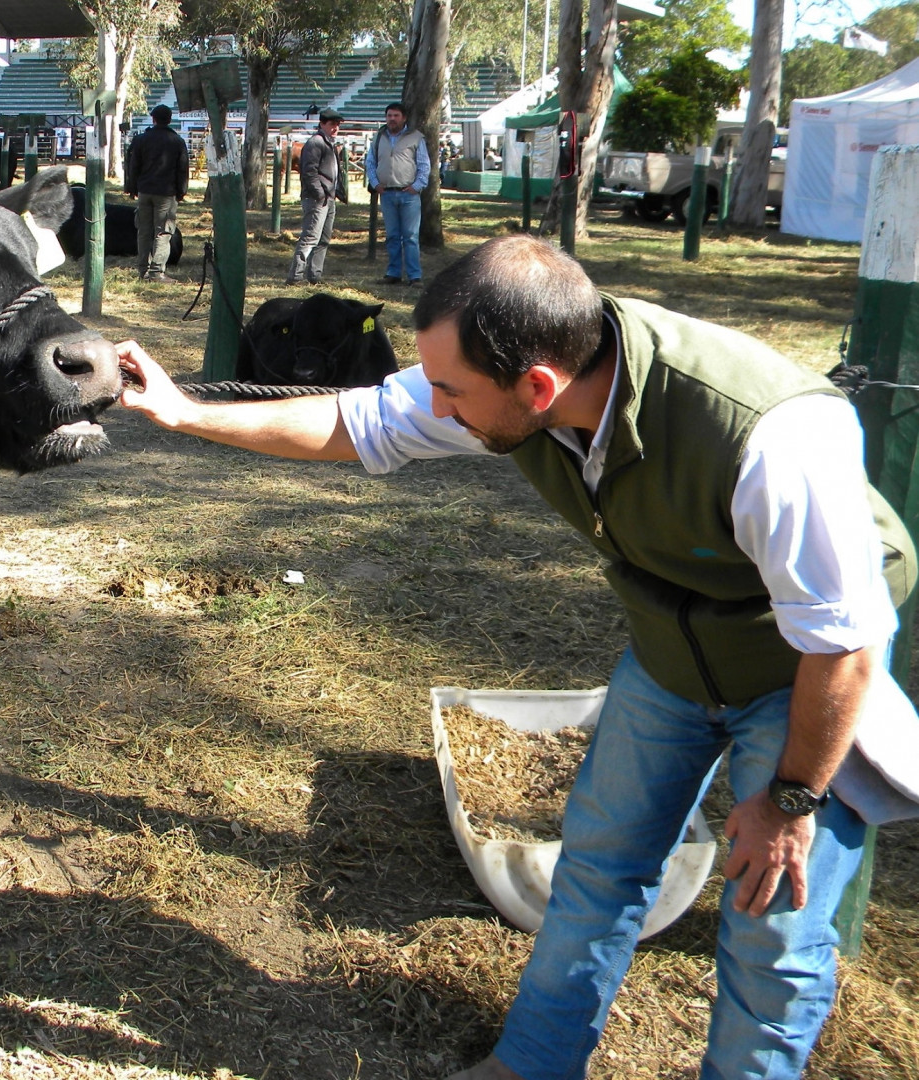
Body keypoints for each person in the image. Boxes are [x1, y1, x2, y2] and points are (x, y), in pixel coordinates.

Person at [115, 234, 919, 1080]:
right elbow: (357, 422)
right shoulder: (528, 382)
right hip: (671, 655)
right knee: (596, 872)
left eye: (450, 391)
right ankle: (532, 1065)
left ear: (538, 386)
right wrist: (185, 412)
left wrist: (791, 799)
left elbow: (845, 641)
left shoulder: (773, 437)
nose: (436, 406)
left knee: (774, 930)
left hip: (803, 672)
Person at [365, 101, 431, 287]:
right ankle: (393, 273)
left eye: (396, 116)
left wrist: (417, 186)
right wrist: (375, 183)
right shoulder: (379, 137)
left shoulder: (416, 138)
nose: (392, 119)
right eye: (389, 116)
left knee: (410, 236)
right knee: (392, 236)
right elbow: (370, 162)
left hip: (409, 195)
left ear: (404, 118)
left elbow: (424, 165)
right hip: (387, 194)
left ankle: (414, 276)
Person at [124, 104, 189, 284]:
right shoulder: (177, 141)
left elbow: (132, 166)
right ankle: (156, 272)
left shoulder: (141, 139)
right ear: (169, 120)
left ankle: (143, 270)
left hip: (145, 191)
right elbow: (182, 169)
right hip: (166, 194)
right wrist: (181, 192)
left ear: (153, 119)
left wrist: (131, 187)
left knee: (143, 232)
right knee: (162, 233)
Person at [286, 108, 347, 286]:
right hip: (317, 198)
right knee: (311, 237)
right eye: (332, 124)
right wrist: (320, 193)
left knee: (323, 239)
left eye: (337, 124)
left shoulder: (328, 143)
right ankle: (296, 276)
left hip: (328, 197)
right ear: (322, 124)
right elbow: (309, 171)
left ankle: (314, 275)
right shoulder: (316, 143)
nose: (335, 127)